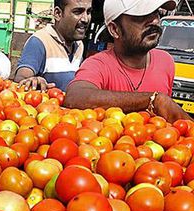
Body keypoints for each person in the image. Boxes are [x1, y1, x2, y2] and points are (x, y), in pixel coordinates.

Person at [64, 0, 192, 123]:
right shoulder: (97, 64)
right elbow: (75, 97)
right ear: (114, 29)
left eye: (156, 13)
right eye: (142, 16)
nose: (155, 21)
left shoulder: (166, 61)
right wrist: (152, 100)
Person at [14, 0, 92, 91]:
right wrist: (33, 81)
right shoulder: (39, 41)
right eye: (78, 12)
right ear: (58, 13)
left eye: (89, 12)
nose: (85, 19)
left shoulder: (79, 45)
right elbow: (21, 79)